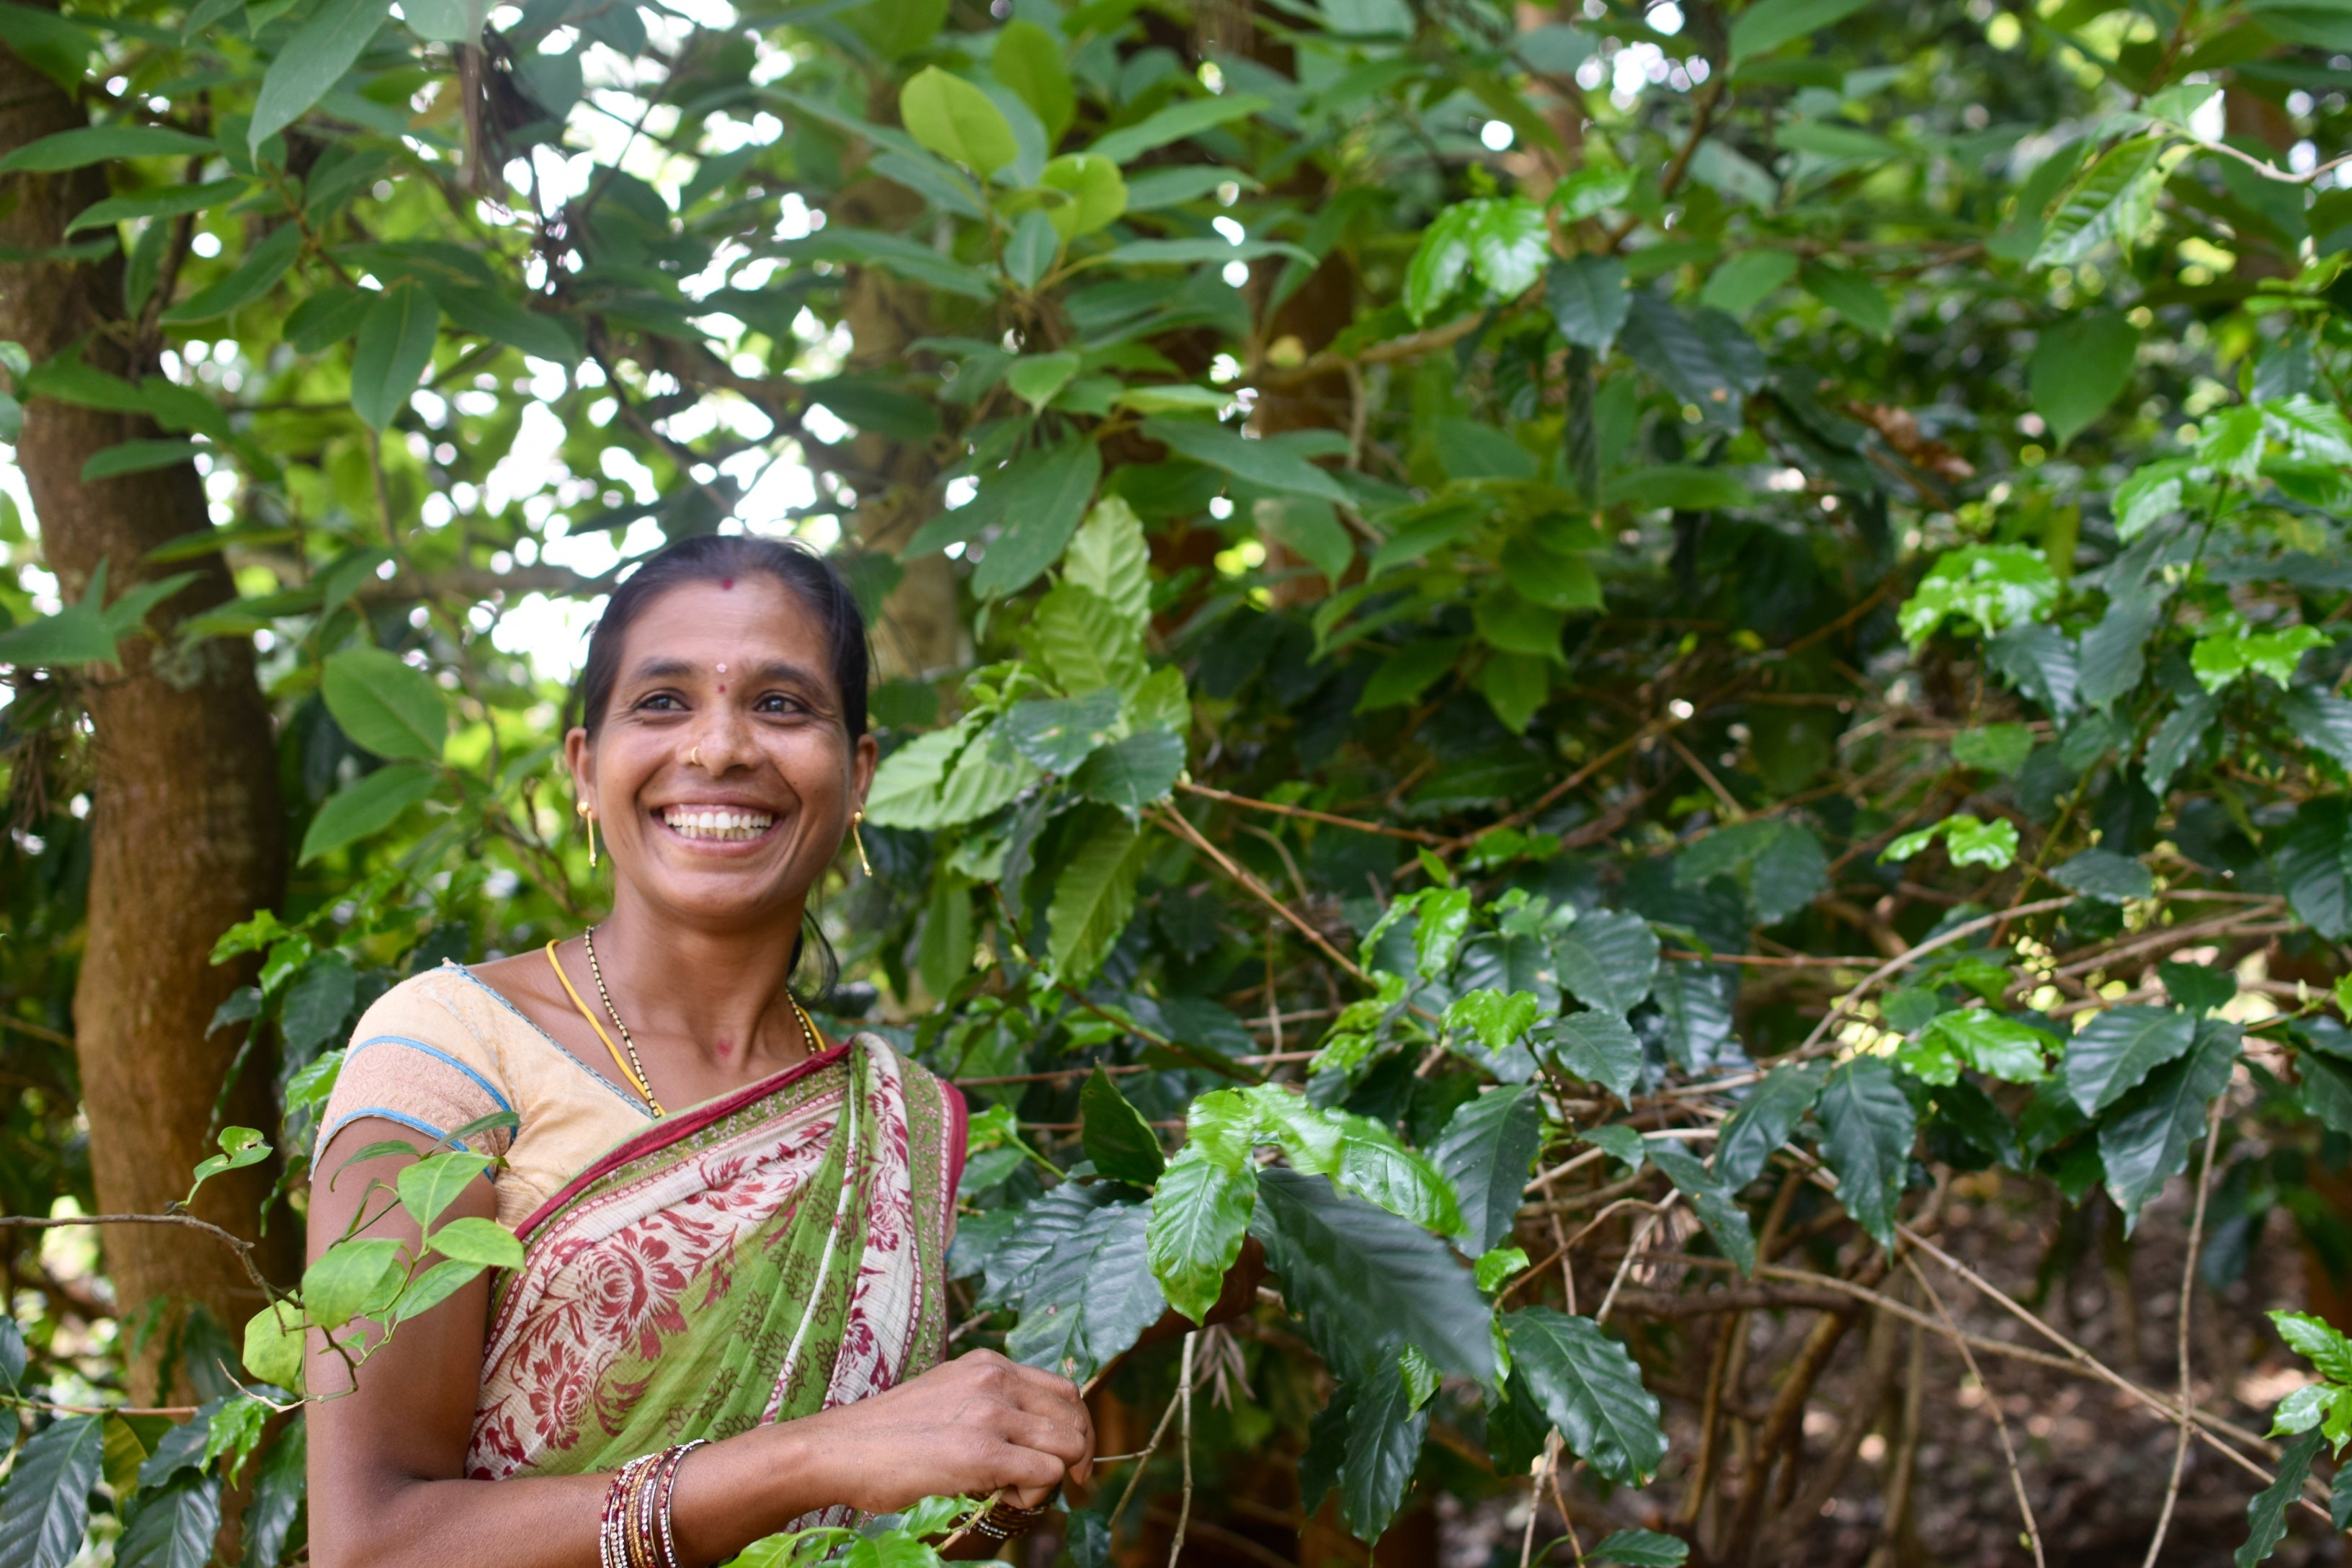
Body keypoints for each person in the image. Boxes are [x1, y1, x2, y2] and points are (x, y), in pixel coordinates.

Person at [303, 535, 1095, 1568]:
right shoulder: (449, 1052)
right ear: (586, 767)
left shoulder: (899, 1122)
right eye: (665, 702)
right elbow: (369, 1547)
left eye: (780, 704)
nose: (720, 747)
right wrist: (811, 1458)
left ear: (858, 777)